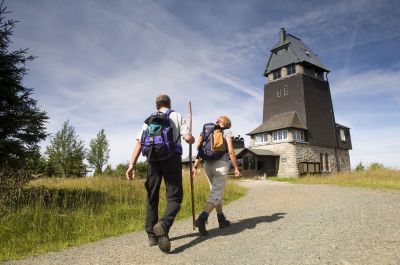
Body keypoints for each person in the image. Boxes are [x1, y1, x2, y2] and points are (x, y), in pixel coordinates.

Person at [126, 94, 194, 253]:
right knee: (175, 196)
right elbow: (188, 137)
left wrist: (131, 165)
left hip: (152, 160)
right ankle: (163, 226)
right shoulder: (177, 116)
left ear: (157, 105)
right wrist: (191, 139)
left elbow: (139, 142)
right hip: (172, 159)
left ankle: (151, 235)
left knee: (152, 195)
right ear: (169, 104)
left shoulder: (149, 120)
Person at [192, 116, 240, 235]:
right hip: (221, 164)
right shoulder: (227, 131)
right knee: (216, 194)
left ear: (218, 122)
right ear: (227, 123)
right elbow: (230, 150)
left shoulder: (207, 132)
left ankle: (221, 219)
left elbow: (200, 151)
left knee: (215, 193)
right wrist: (236, 167)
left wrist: (195, 166)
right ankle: (202, 218)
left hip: (207, 164)